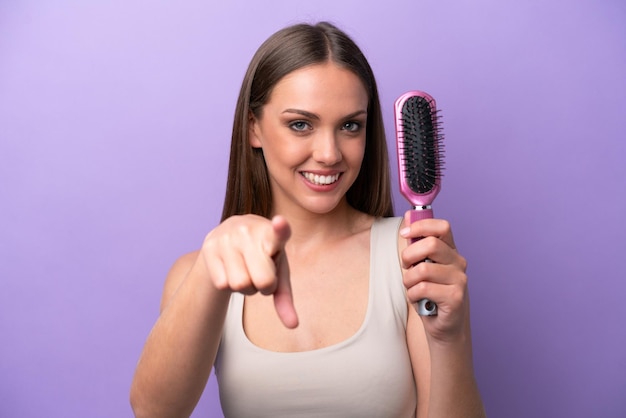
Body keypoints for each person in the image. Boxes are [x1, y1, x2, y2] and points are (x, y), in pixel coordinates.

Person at [130, 21, 486, 418]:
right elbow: (153, 411)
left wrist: (449, 340)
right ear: (254, 129)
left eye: (350, 125)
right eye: (301, 124)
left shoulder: (413, 256)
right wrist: (212, 264)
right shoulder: (207, 271)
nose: (329, 153)